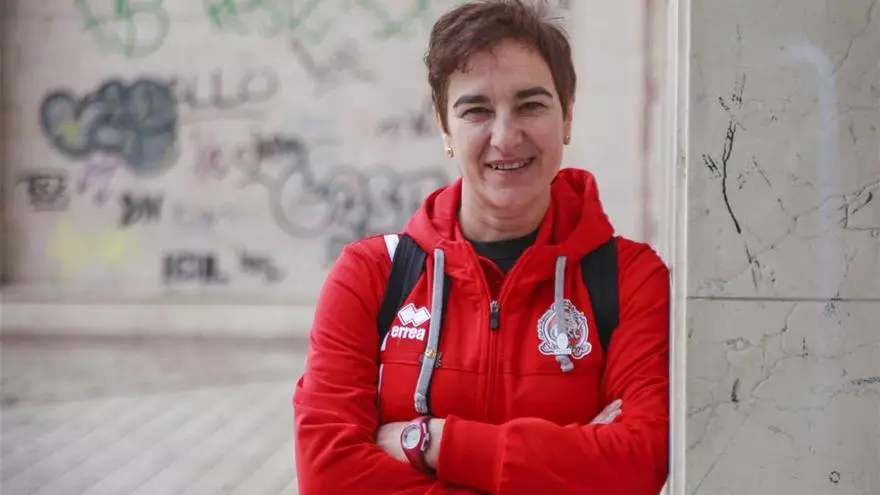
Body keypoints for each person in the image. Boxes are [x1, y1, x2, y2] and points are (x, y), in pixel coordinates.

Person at [293, 1, 670, 493]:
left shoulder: (630, 280)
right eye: (477, 111)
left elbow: (638, 462)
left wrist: (431, 441)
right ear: (445, 127)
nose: (506, 137)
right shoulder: (370, 275)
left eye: (531, 105)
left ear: (567, 116)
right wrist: (572, 464)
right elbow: (329, 475)